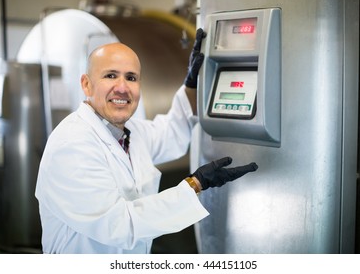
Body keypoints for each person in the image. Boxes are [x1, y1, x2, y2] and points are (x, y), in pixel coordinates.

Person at [35, 29, 258, 254]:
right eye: (110, 75)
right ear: (86, 84)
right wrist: (195, 185)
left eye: (131, 77)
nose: (122, 87)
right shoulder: (72, 145)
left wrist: (192, 85)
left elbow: (171, 133)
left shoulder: (129, 132)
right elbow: (120, 226)